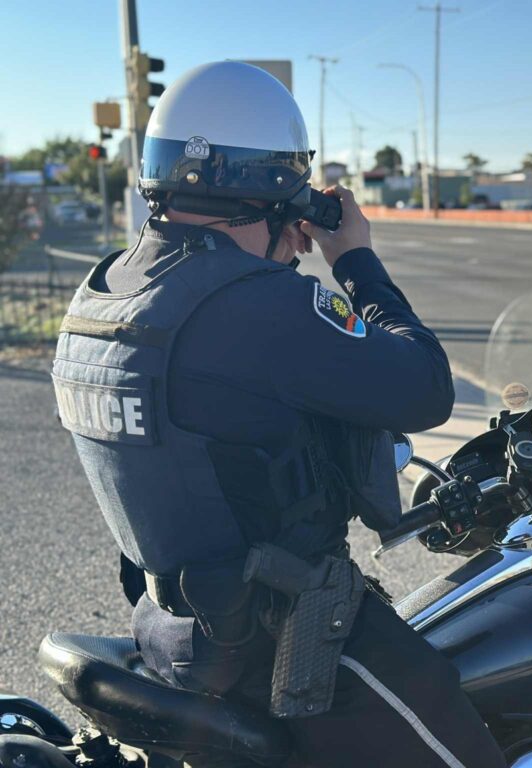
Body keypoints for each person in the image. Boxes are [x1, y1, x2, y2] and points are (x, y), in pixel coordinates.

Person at [52, 61, 506, 768]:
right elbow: (425, 387)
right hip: (292, 648)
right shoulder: (260, 307)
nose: (298, 233)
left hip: (173, 627)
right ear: (263, 186)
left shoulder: (105, 291)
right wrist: (354, 259)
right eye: (292, 199)